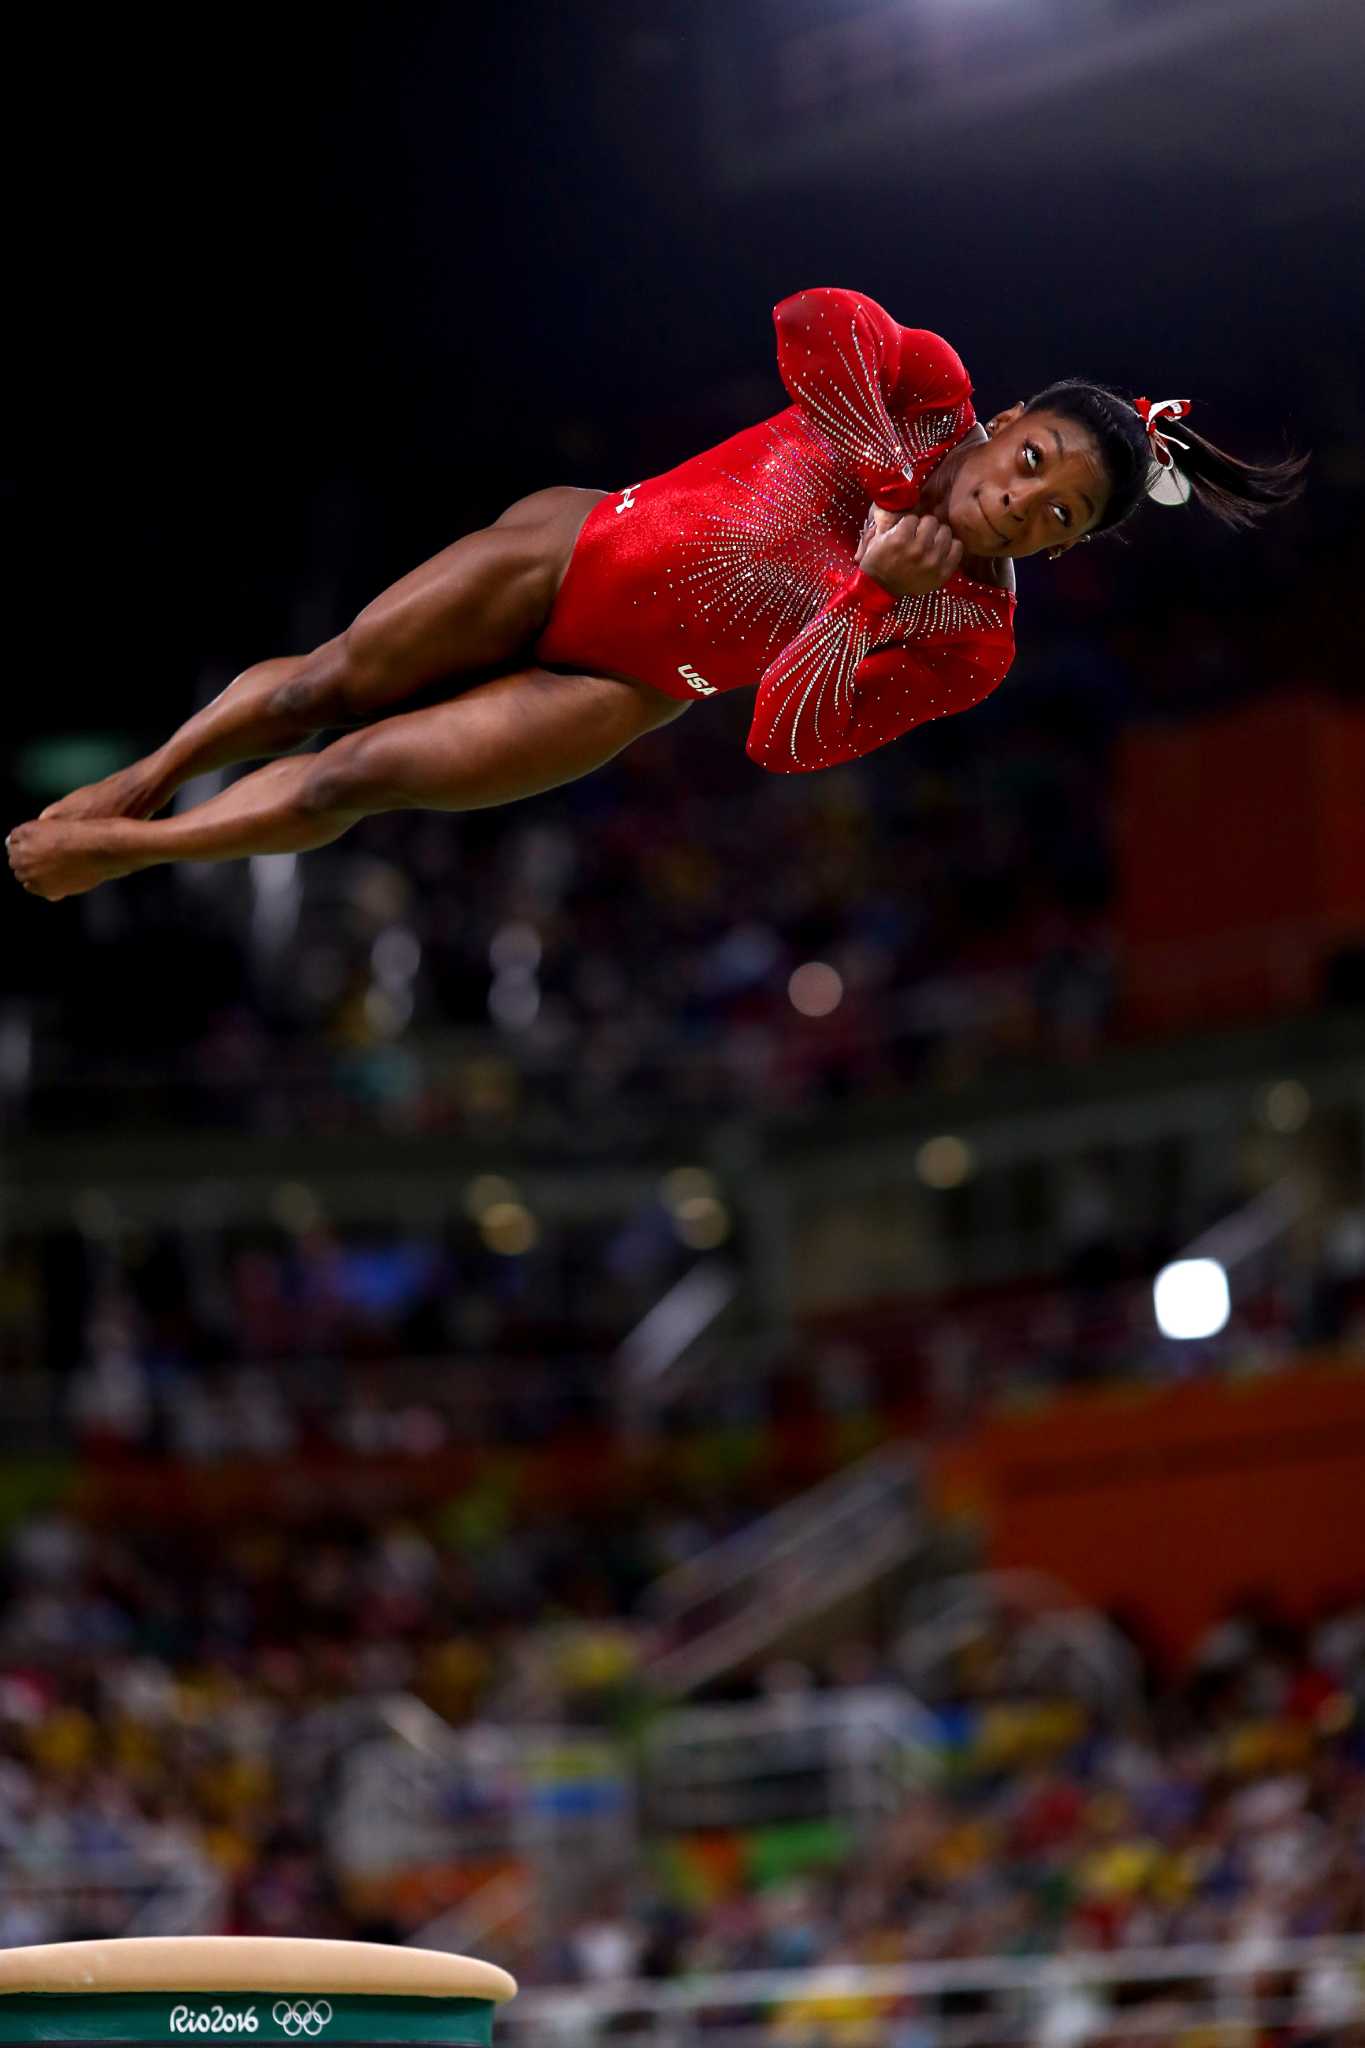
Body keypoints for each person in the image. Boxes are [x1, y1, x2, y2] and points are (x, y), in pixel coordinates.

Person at [7, 287, 1303, 901]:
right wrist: (893, 490)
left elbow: (784, 740)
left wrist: (861, 593)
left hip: (622, 688)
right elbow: (811, 321)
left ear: (1066, 547)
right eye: (1032, 465)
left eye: (1056, 516)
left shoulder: (968, 636)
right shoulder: (926, 392)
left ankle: (130, 848)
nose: (1023, 504)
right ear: (1007, 421)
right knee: (318, 683)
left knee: (358, 775)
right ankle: (150, 771)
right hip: (574, 547)